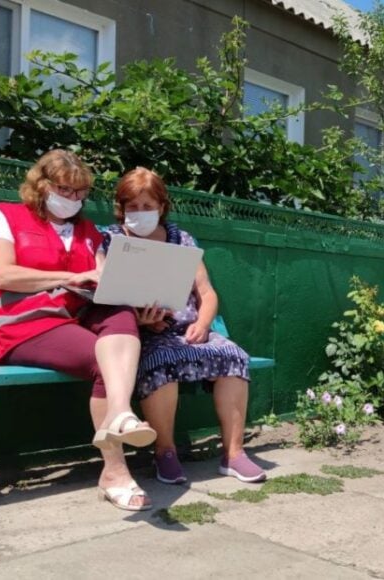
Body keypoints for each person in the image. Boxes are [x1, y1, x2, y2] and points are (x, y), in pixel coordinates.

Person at [0, 150, 156, 511]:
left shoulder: (88, 232)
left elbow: (104, 281)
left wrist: (140, 304)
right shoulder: (6, 216)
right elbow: (2, 274)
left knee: (119, 312)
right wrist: (68, 277)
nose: (74, 199)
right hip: (25, 325)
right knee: (104, 362)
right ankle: (115, 471)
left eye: (81, 192)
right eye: (66, 189)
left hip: (73, 317)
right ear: (42, 185)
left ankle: (121, 412)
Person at [102, 167, 267, 484]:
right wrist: (141, 321)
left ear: (161, 207)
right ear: (121, 208)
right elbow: (108, 295)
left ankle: (234, 454)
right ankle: (165, 452)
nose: (140, 213)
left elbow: (207, 293)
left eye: (147, 206)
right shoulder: (110, 239)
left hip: (191, 331)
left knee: (234, 357)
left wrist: (204, 324)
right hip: (145, 335)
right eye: (132, 207)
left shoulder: (183, 239)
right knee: (160, 363)